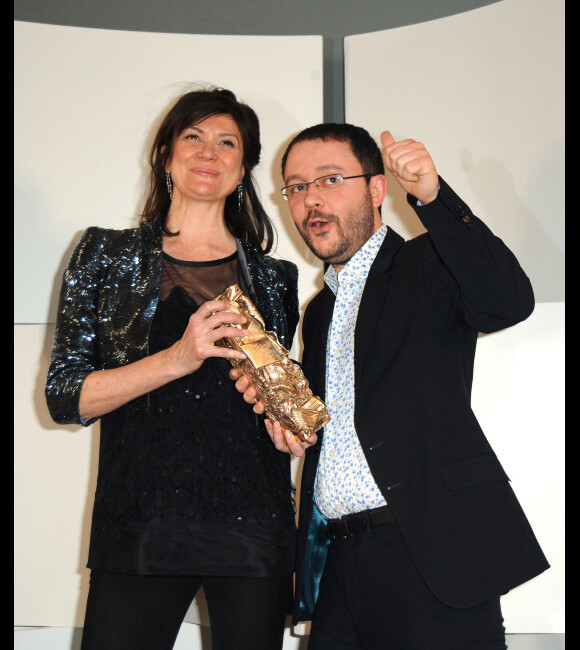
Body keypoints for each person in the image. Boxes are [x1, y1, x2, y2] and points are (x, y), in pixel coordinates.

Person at [232, 123, 550, 649]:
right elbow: (339, 424)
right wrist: (291, 432)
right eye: (296, 187)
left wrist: (432, 195)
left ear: (377, 190)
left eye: (330, 179)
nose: (311, 200)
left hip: (430, 554)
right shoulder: (319, 312)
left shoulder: (427, 263)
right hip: (338, 560)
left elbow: (507, 301)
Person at [45, 86, 300, 650]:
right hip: (139, 523)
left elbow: (272, 396)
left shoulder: (275, 277)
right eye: (193, 137)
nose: (209, 152)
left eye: (226, 142)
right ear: (165, 154)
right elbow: (66, 397)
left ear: (243, 168)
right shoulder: (105, 255)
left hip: (254, 527)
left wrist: (290, 429)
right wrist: (177, 359)